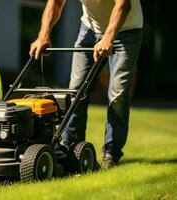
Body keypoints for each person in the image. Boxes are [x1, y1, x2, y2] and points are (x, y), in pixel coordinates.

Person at [29, 0, 143, 168]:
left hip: (127, 30)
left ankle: (111, 154)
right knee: (75, 91)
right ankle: (71, 150)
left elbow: (123, 4)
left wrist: (108, 38)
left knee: (117, 93)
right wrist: (43, 34)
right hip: (90, 29)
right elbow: (55, 3)